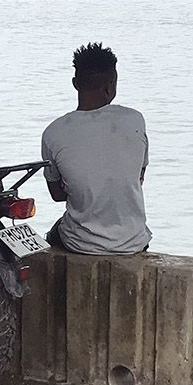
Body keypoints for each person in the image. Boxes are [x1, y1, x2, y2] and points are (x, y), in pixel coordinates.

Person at [40, 42, 151, 255]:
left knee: (53, 234)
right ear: (110, 86)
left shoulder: (53, 132)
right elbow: (137, 179)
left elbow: (56, 194)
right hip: (133, 241)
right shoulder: (135, 120)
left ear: (75, 83)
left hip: (80, 243)